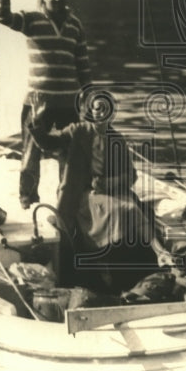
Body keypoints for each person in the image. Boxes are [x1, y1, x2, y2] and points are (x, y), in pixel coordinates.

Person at [27, 93, 159, 291]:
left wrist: (110, 182)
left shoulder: (116, 139)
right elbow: (49, 144)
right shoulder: (78, 131)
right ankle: (150, 253)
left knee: (138, 209)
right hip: (80, 194)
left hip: (108, 192)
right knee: (126, 209)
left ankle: (154, 257)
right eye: (97, 108)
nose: (100, 113)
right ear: (92, 111)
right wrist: (37, 123)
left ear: (112, 114)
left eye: (105, 109)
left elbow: (131, 175)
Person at [0, 0, 92, 208]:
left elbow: (82, 64)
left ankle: (67, 199)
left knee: (69, 155)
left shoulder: (75, 25)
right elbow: (4, 18)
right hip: (37, 103)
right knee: (31, 153)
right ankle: (28, 197)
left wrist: (89, 96)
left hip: (69, 103)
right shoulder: (32, 19)